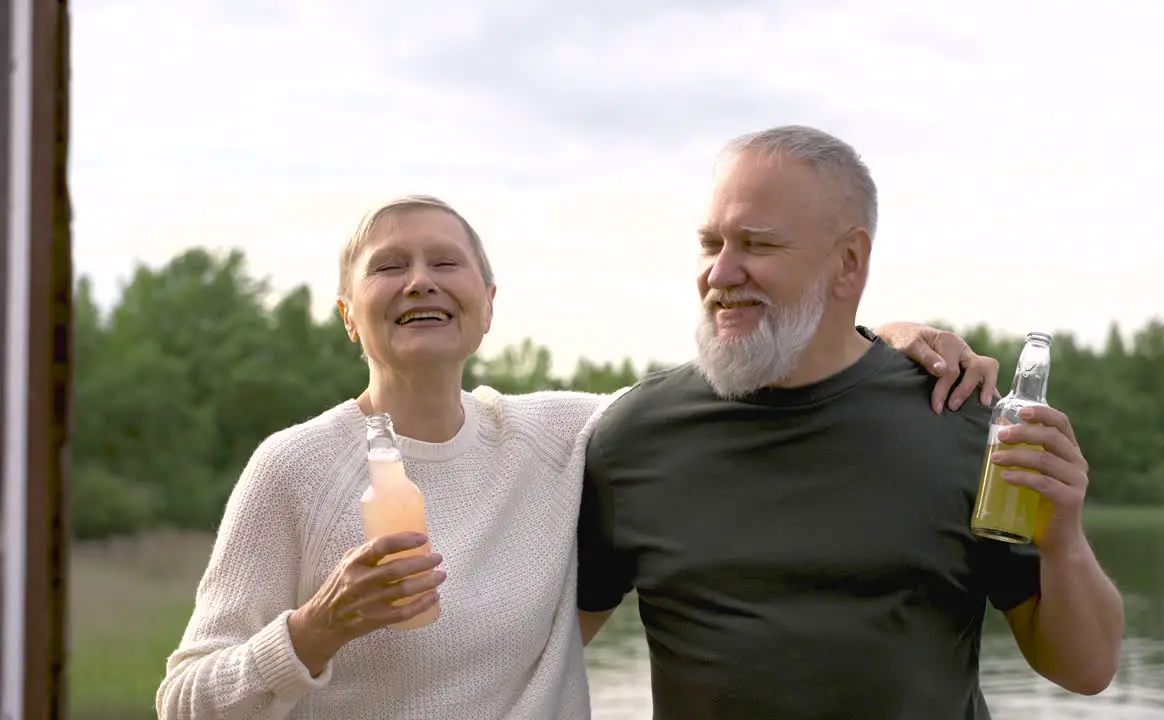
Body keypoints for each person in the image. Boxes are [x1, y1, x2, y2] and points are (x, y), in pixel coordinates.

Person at [155, 193, 1001, 720]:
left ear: (487, 306)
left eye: (445, 263)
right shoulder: (294, 467)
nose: (420, 280)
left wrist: (879, 337)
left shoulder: (560, 434)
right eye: (389, 268)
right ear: (349, 315)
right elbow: (183, 700)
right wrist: (314, 629)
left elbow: (723, 391)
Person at [576, 125, 1126, 720]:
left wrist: (1063, 537)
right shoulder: (632, 436)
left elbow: (1085, 669)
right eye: (712, 244)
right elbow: (535, 653)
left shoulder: (961, 419)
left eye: (757, 246)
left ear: (849, 262)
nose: (721, 273)